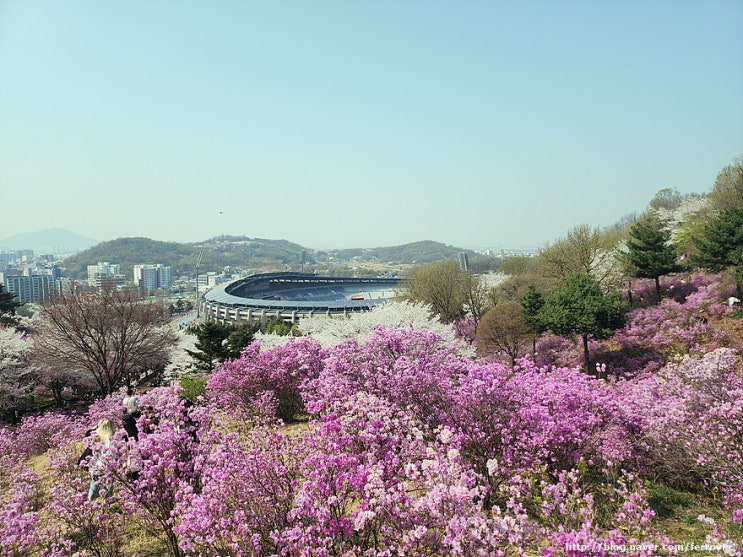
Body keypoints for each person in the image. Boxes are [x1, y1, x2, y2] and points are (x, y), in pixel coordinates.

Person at [87, 418, 116, 501]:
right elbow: (110, 452)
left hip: (95, 463)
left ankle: (91, 498)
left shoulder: (96, 436)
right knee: (109, 482)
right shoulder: (109, 437)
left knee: (94, 481)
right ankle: (108, 499)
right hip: (106, 463)